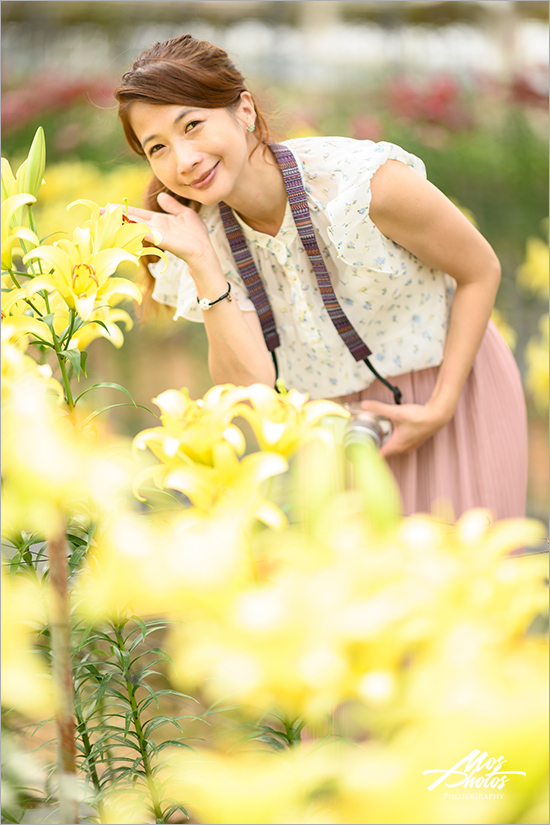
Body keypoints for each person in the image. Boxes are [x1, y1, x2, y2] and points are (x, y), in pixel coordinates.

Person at [115, 33, 528, 521]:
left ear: (244, 110)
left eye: (194, 125)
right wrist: (204, 266)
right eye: (158, 147)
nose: (183, 161)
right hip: (332, 428)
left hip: (450, 389)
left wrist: (441, 403)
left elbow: (481, 271)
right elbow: (251, 391)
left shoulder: (361, 184)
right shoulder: (200, 236)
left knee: (472, 584)